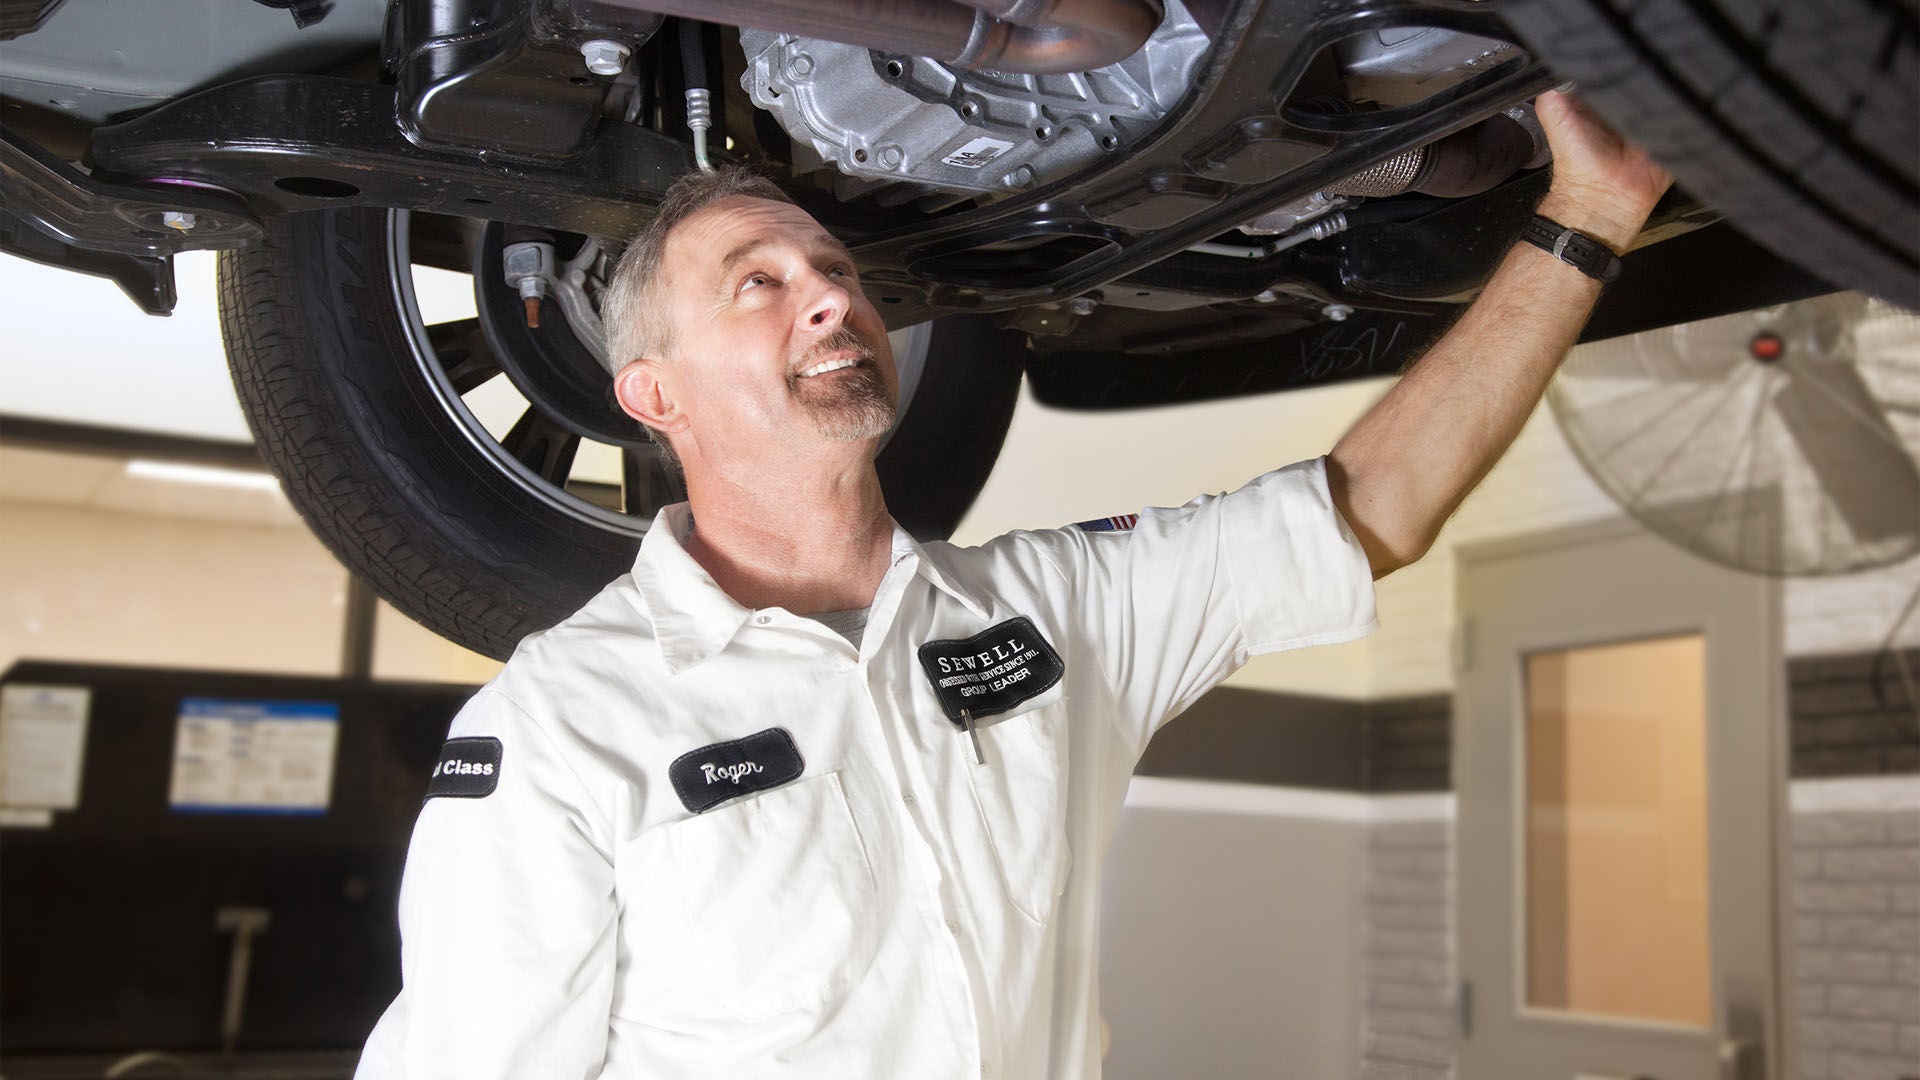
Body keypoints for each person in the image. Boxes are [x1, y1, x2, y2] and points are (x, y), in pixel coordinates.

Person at [354, 90, 1671, 1078]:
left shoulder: (1042, 621)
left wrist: (1591, 217)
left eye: (834, 273)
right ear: (652, 395)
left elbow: (1362, 512)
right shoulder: (567, 725)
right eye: (759, 284)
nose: (827, 299)